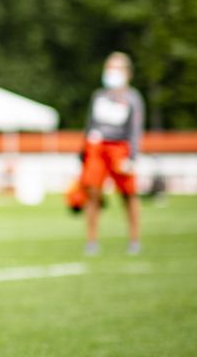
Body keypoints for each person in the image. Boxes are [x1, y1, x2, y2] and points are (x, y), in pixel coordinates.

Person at [81, 51, 144, 256]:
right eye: (109, 68)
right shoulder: (99, 96)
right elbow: (90, 124)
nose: (111, 72)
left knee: (128, 195)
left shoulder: (132, 98)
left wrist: (132, 156)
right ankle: (91, 241)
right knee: (92, 193)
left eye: (116, 68)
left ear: (127, 72)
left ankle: (134, 239)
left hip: (120, 148)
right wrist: (83, 150)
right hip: (97, 148)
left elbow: (135, 129)